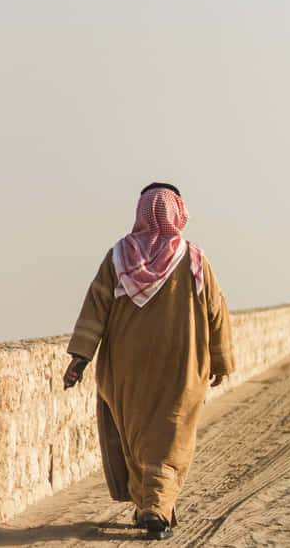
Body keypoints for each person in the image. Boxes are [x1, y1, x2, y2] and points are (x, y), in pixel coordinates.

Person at [64, 183, 235, 540]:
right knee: (170, 437)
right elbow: (216, 312)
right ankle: (157, 507)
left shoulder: (118, 257)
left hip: (126, 366)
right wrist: (220, 362)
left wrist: (80, 357)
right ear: (177, 212)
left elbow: (96, 307)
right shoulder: (194, 258)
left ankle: (148, 505)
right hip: (181, 365)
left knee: (137, 436)